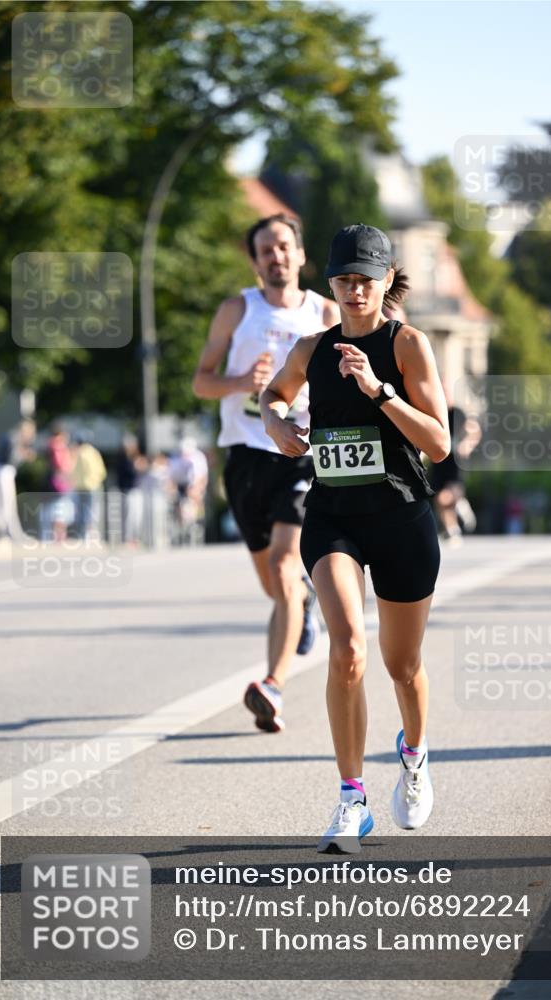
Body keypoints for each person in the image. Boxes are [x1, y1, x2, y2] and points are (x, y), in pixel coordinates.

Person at [261, 223, 450, 852]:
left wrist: (379, 391)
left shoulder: (407, 344)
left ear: (387, 279)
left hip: (401, 518)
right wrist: (276, 423)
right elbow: (274, 394)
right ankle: (351, 799)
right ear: (331, 283)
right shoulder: (313, 349)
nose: (354, 290)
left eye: (365, 279)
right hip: (333, 518)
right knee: (346, 650)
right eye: (343, 279)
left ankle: (414, 755)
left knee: (403, 665)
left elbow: (439, 443)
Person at [193, 214, 339, 733]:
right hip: (245, 457)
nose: (275, 256)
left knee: (283, 564)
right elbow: (201, 382)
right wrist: (239, 382)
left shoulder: (325, 312)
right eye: (265, 250)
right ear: (255, 262)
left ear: (300, 255)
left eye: (283, 246)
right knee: (274, 584)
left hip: (299, 453)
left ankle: (272, 685)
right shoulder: (237, 310)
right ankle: (302, 602)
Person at [428, 382, 481, 545]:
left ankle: (459, 503)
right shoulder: (434, 412)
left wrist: (466, 445)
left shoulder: (457, 412)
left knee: (445, 497)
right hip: (439, 461)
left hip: (455, 462)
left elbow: (474, 431)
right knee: (440, 500)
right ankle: (452, 530)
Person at [0, 419, 36, 540]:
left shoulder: (10, 437)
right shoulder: (14, 438)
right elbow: (11, 458)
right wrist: (25, 455)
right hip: (2, 472)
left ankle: (4, 533)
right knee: (6, 504)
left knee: (2, 505)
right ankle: (7, 533)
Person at [71, 431, 107, 541]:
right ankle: (91, 535)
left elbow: (74, 471)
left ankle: (83, 535)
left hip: (81, 487)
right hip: (92, 486)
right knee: (92, 511)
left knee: (82, 511)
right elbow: (101, 471)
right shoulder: (93, 452)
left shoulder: (78, 453)